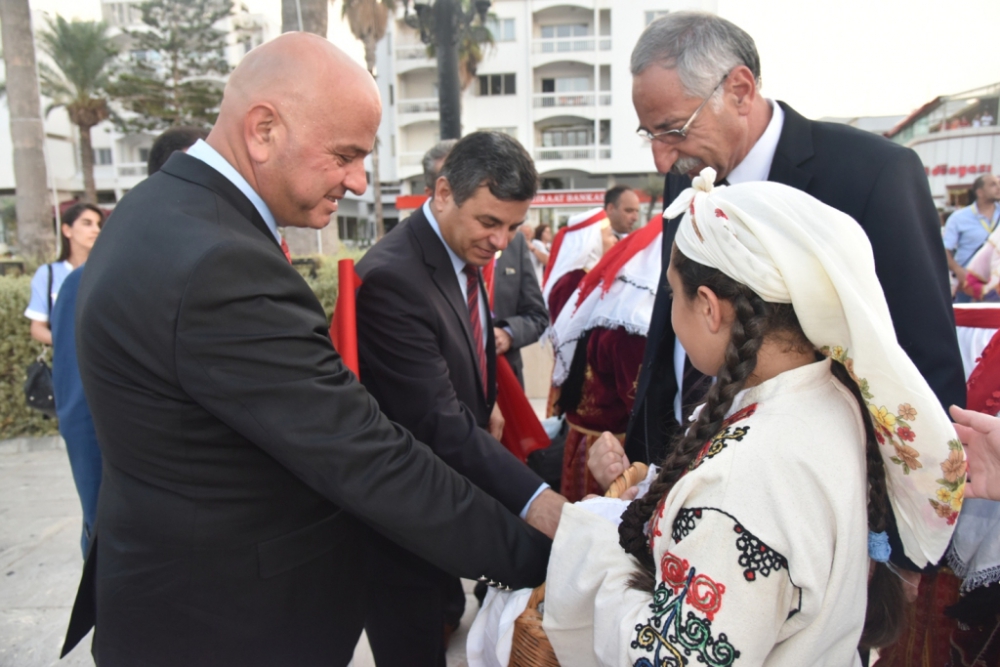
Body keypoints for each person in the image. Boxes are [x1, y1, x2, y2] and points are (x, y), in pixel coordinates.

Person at [61, 35, 551, 666]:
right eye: (345, 155)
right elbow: (367, 454)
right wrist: (542, 555)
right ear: (263, 130)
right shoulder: (221, 262)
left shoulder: (162, 207)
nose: (358, 179)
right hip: (224, 628)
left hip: (182, 597)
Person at [542, 170, 960, 667]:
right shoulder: (826, 393)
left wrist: (596, 545)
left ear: (709, 308)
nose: (671, 313)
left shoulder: (743, 478)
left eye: (672, 295)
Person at [618, 12, 965, 491]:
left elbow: (925, 362)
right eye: (650, 134)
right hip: (682, 479)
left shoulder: (873, 175)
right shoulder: (687, 171)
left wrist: (897, 550)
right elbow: (671, 320)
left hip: (816, 497)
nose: (661, 158)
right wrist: (645, 456)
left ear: (739, 90)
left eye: (673, 129)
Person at [354, 132, 566, 666]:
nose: (501, 241)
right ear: (444, 192)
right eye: (489, 222)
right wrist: (535, 499)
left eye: (514, 227)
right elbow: (437, 421)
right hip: (404, 517)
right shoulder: (393, 279)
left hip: (449, 487)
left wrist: (488, 399)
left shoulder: (458, 251)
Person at [549, 215, 662, 502]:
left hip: (590, 438)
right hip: (608, 453)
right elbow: (638, 407)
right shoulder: (630, 324)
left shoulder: (616, 306)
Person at [24, 203, 103, 345]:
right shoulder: (48, 274)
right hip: (66, 361)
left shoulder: (104, 272)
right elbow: (37, 327)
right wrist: (68, 346)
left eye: (98, 224)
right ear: (67, 230)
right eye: (87, 223)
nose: (96, 230)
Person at [944, 174, 1000, 301]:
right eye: (993, 184)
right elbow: (945, 249)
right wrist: (958, 271)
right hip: (968, 283)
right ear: (979, 192)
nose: (999, 187)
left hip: (996, 284)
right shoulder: (958, 217)